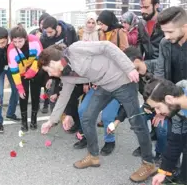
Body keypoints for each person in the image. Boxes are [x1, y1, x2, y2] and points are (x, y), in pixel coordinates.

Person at [38, 41, 156, 182]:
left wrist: (129, 68)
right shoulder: (65, 74)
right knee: (87, 117)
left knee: (136, 122)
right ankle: (93, 156)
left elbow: (106, 46)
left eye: (49, 69)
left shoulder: (75, 50)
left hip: (123, 81)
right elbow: (64, 96)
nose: (50, 74)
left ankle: (149, 164)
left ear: (55, 61)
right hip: (104, 86)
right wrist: (51, 120)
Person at [73, 12, 121, 156]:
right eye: (96, 23)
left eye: (99, 23)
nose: (98, 26)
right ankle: (87, 137)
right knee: (83, 110)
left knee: (107, 116)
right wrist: (90, 80)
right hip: (98, 82)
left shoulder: (119, 34)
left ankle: (109, 141)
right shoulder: (98, 35)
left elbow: (125, 57)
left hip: (116, 83)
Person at [131, 0, 165, 157]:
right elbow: (139, 46)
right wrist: (136, 61)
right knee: (147, 109)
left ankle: (161, 152)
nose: (142, 10)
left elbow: (168, 56)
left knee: (162, 114)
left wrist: (144, 64)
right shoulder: (140, 24)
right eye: (140, 7)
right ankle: (148, 140)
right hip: (146, 75)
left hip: (164, 73)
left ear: (156, 5)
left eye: (146, 7)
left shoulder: (166, 22)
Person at [143, 78, 187, 185]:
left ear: (169, 99)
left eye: (157, 107)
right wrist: (163, 171)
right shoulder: (177, 111)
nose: (157, 112)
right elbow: (175, 142)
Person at [7, 26, 43, 132]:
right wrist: (19, 87)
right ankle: (24, 122)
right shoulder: (11, 49)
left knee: (35, 95)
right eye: (15, 41)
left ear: (25, 38)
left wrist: (33, 70)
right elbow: (14, 71)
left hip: (36, 70)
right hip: (21, 74)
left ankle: (34, 120)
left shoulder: (35, 41)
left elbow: (41, 57)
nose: (18, 44)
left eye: (20, 41)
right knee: (23, 95)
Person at [0, 27, 20, 133]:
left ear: (8, 38)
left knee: (16, 89)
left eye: (3, 42)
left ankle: (10, 113)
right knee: (0, 96)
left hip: (12, 67)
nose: (1, 45)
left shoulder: (14, 41)